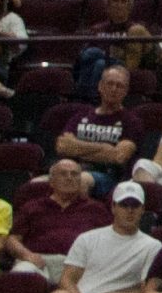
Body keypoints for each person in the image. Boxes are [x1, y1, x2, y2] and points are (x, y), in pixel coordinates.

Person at [46, 179, 162, 293]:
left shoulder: (153, 246)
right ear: (114, 207)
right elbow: (67, 279)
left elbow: (145, 290)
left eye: (135, 205)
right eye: (124, 205)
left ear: (143, 209)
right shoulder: (88, 238)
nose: (130, 210)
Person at [2, 158, 109, 280]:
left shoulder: (96, 209)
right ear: (51, 181)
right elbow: (13, 239)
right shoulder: (32, 207)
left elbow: (109, 241)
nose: (69, 177)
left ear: (80, 181)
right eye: (63, 174)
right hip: (38, 261)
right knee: (21, 274)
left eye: (74, 174)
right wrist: (27, 255)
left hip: (79, 266)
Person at [54, 65, 142, 197]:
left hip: (108, 177)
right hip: (71, 169)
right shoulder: (81, 116)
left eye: (119, 86)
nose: (114, 89)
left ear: (126, 91)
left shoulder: (131, 122)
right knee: (36, 183)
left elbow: (118, 157)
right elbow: (62, 146)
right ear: (100, 86)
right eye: (110, 84)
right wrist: (105, 148)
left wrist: (77, 146)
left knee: (80, 180)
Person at [77, 0, 152, 92]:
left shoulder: (136, 28)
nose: (119, 5)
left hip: (120, 66)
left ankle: (92, 99)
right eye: (115, 1)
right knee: (90, 54)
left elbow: (144, 52)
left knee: (100, 63)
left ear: (129, 5)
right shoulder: (98, 29)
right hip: (98, 62)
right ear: (108, 4)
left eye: (123, 1)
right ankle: (81, 93)